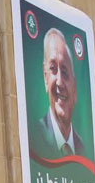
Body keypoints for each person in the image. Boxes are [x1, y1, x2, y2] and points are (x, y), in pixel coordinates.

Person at [30, 28, 85, 159]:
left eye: (65, 72)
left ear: (74, 88)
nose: (59, 82)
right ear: (45, 77)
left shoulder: (83, 149)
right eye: (53, 69)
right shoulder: (33, 138)